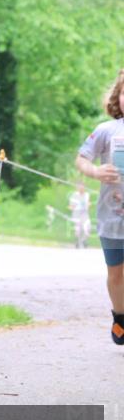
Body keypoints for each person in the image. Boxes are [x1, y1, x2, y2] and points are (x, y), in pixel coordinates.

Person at [75, 68, 124, 345]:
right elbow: (82, 158)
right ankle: (120, 316)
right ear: (118, 97)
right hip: (112, 218)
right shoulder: (106, 131)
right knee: (116, 273)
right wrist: (95, 172)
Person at [68, 181, 92, 249]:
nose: (81, 188)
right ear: (77, 187)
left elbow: (88, 203)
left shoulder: (87, 194)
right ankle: (77, 241)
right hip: (77, 213)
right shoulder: (74, 195)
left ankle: (83, 240)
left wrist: (89, 204)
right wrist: (72, 207)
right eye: (79, 186)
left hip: (85, 213)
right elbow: (71, 206)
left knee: (88, 228)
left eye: (82, 186)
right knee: (78, 229)